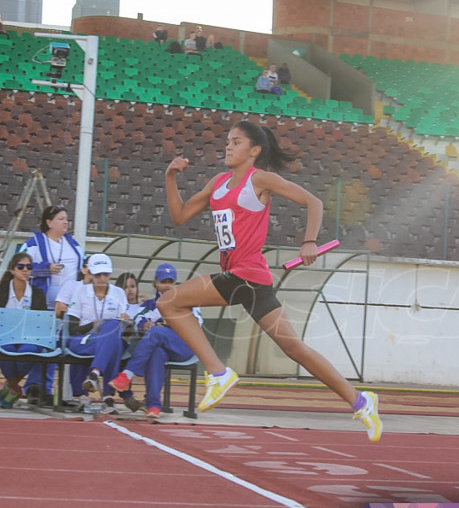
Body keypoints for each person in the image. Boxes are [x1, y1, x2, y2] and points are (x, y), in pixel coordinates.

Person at [158, 120, 382, 441]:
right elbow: (179, 216)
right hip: (251, 283)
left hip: (245, 276)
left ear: (254, 151)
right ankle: (361, 401)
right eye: (228, 141)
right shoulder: (217, 184)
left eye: (236, 142)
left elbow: (314, 202)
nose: (228, 146)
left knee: (169, 302)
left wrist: (309, 241)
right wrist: (170, 177)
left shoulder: (260, 179)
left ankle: (219, 373)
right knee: (297, 350)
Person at [110, 264, 200, 419]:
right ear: (155, 282)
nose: (167, 285)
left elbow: (196, 324)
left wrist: (164, 325)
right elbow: (138, 319)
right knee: (156, 353)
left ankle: (126, 375)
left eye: (170, 282)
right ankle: (153, 406)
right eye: (163, 281)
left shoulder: (186, 301)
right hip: (162, 347)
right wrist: (144, 326)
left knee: (156, 332)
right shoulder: (148, 305)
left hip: (184, 346)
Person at [22, 204, 84, 405]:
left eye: (67, 219)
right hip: (40, 303)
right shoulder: (34, 244)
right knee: (40, 345)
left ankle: (50, 389)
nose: (66, 222)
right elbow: (20, 267)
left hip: (66, 306)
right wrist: (44, 269)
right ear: (48, 222)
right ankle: (34, 387)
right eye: (61, 218)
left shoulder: (73, 245)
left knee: (58, 346)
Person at [63, 254, 131, 410]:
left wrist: (126, 320)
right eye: (98, 274)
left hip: (107, 338)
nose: (102, 278)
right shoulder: (80, 292)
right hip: (83, 338)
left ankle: (93, 375)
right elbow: (72, 328)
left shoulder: (119, 293)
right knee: (112, 340)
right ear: (90, 273)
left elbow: (127, 328)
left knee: (112, 331)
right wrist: (93, 324)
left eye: (106, 274)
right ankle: (107, 395)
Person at [0, 252, 49, 409]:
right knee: (5, 348)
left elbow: (40, 322)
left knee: (30, 350)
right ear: (12, 270)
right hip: (4, 336)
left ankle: (11, 385)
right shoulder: (1, 291)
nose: (25, 270)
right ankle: (16, 387)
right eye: (21, 267)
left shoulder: (38, 293)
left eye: (29, 267)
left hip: (27, 338)